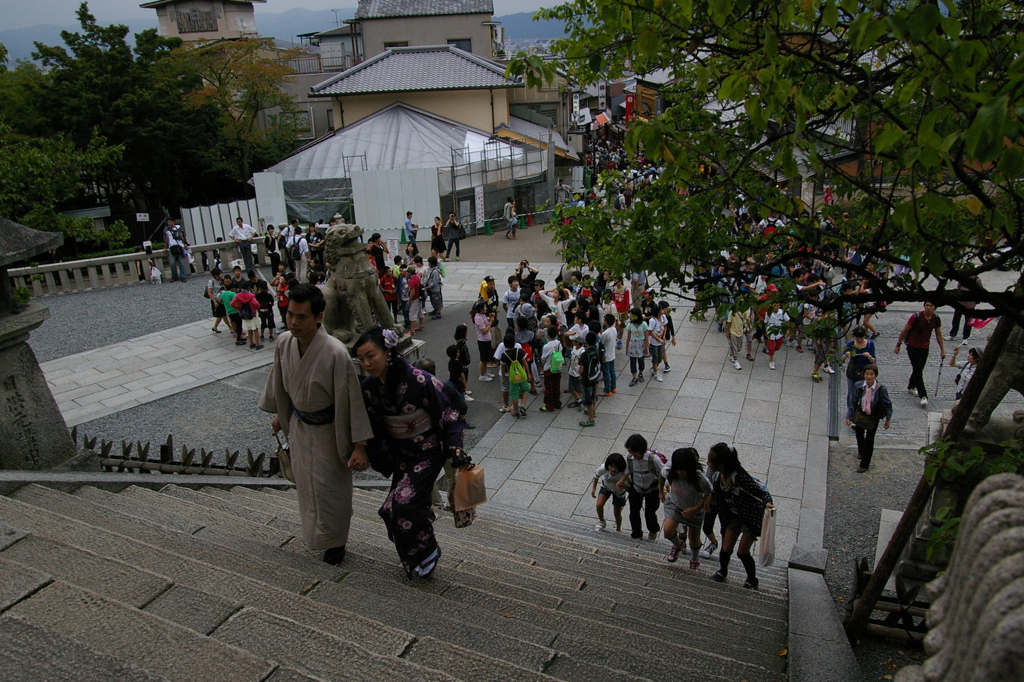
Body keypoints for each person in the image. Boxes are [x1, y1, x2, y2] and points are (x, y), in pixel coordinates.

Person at [260, 284, 372, 565]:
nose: (294, 323)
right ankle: (315, 536)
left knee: (330, 488)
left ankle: (336, 541)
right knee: (307, 487)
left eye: (302, 317)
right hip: (299, 424)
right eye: (290, 315)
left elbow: (352, 401)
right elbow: (282, 385)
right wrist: (280, 413)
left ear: (319, 316)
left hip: (329, 430)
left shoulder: (335, 352)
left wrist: (359, 446)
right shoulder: (284, 342)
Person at [355, 326, 464, 579]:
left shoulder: (420, 379)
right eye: (361, 359)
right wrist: (362, 449)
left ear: (388, 352)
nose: (366, 363)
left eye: (371, 355)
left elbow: (449, 413)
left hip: (427, 453)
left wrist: (455, 447)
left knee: (403, 504)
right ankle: (417, 550)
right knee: (390, 510)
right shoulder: (370, 387)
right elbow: (369, 423)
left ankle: (426, 554)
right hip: (401, 455)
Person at [707, 442, 774, 589]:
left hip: (749, 517)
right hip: (732, 516)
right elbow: (718, 497)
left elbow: (761, 492)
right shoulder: (718, 477)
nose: (708, 464)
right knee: (726, 548)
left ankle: (752, 579)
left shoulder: (740, 477)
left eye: (711, 462)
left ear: (722, 464)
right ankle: (722, 571)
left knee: (742, 552)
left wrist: (767, 503)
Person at [661, 447, 712, 569]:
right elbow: (662, 476)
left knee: (694, 539)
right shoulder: (670, 471)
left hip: (694, 510)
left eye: (683, 470)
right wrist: (660, 492)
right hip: (675, 504)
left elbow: (708, 494)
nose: (679, 473)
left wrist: (695, 509)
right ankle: (678, 545)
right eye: (677, 470)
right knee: (668, 531)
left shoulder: (700, 479)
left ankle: (694, 558)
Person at [894, 300, 946, 407]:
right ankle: (923, 395)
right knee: (918, 370)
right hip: (913, 346)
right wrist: (898, 344)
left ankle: (911, 386)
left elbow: (938, 334)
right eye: (927, 305)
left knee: (919, 368)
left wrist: (942, 350)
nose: (928, 307)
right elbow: (905, 330)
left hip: (925, 347)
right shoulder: (916, 317)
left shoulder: (936, 319)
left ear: (934, 308)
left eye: (931, 305)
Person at [845, 365, 893, 472]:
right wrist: (849, 416)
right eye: (867, 374)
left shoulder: (881, 389)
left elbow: (888, 404)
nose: (869, 376)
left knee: (869, 440)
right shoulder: (859, 386)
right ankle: (861, 452)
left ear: (875, 375)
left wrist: (888, 419)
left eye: (871, 374)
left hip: (873, 416)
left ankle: (865, 463)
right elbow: (852, 401)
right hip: (861, 414)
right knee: (859, 434)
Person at [617, 434, 661, 540]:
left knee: (650, 512)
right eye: (630, 451)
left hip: (652, 489)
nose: (632, 454)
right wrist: (622, 480)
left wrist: (664, 487)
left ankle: (653, 529)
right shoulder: (630, 458)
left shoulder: (653, 459)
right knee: (634, 512)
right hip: (636, 488)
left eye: (634, 452)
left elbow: (663, 472)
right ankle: (637, 533)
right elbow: (628, 469)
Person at [592, 452, 628, 532]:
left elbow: (630, 488)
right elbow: (596, 475)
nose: (613, 469)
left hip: (619, 492)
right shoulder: (604, 468)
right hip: (606, 487)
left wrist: (623, 485)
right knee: (599, 504)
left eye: (616, 467)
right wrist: (594, 488)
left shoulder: (624, 473)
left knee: (617, 513)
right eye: (611, 466)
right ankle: (601, 521)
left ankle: (618, 528)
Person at [501, 333, 530, 419]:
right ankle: (523, 406)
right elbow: (525, 363)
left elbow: (503, 367)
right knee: (525, 389)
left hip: (513, 377)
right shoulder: (520, 351)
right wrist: (528, 373)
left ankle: (516, 410)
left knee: (514, 394)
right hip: (522, 375)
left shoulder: (504, 355)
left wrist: (503, 377)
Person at [578, 332, 601, 427]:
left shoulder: (585, 354)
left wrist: (580, 374)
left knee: (588, 399)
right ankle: (593, 411)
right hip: (595, 377)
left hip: (587, 379)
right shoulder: (596, 351)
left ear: (586, 341)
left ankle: (591, 419)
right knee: (593, 396)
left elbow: (581, 369)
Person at [231, 281, 262, 350]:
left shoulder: (238, 295)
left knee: (249, 329)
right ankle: (257, 344)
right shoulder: (251, 295)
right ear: (248, 287)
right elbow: (256, 304)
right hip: (252, 314)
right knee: (255, 329)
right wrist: (258, 308)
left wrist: (238, 308)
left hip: (243, 314)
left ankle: (251, 344)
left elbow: (232, 303)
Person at [539, 325, 563, 412]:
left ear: (548, 334)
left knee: (549, 388)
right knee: (556, 386)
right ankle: (557, 403)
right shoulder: (559, 343)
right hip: (557, 368)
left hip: (549, 369)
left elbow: (543, 358)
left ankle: (549, 405)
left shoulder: (547, 346)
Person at [623, 307, 649, 386]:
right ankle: (634, 376)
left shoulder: (644, 324)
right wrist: (627, 347)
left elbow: (646, 337)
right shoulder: (630, 325)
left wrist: (646, 347)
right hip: (633, 344)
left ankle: (640, 373)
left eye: (631, 315)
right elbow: (628, 337)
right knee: (632, 361)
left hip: (641, 344)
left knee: (641, 360)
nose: (629, 316)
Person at [472, 300, 495, 382]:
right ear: (480, 309)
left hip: (487, 339)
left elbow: (486, 320)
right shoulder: (478, 318)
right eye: (484, 307)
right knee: (483, 359)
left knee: (487, 358)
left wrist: (490, 317)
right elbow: (484, 330)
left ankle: (485, 372)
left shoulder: (482, 315)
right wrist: (490, 323)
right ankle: (482, 375)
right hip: (483, 340)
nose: (486, 308)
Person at [765, 302, 790, 370]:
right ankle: (771, 360)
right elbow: (766, 322)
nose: (776, 307)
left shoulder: (782, 312)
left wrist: (787, 329)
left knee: (778, 346)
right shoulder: (768, 312)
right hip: (771, 332)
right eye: (774, 305)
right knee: (771, 347)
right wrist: (766, 331)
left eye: (777, 305)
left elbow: (787, 320)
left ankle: (771, 352)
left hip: (779, 332)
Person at [219, 276, 244, 346]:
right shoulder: (232, 294)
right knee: (239, 325)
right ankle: (238, 340)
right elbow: (237, 302)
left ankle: (238, 337)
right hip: (235, 311)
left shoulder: (223, 293)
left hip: (229, 312)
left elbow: (220, 301)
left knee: (234, 324)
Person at [164, 218, 189, 283]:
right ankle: (174, 276)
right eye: (168, 222)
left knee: (181, 263)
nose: (169, 223)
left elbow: (182, 236)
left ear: (173, 222)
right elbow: (167, 239)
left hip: (180, 246)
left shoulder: (179, 228)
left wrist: (185, 244)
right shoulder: (167, 229)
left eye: (170, 221)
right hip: (171, 247)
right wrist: (165, 247)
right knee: (172, 263)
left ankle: (182, 276)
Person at [599, 314, 618, 396]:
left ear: (606, 322)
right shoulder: (614, 329)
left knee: (606, 373)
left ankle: (607, 390)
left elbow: (601, 342)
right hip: (612, 354)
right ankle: (613, 387)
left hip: (606, 356)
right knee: (612, 371)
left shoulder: (605, 333)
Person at [206, 268, 226, 333]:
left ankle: (215, 327)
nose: (220, 275)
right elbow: (209, 292)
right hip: (216, 300)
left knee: (221, 315)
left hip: (222, 299)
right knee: (223, 315)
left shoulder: (222, 281)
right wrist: (214, 301)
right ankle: (231, 328)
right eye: (219, 274)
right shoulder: (211, 281)